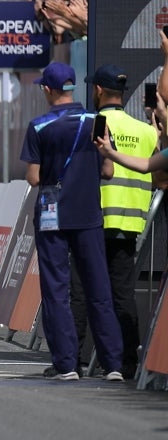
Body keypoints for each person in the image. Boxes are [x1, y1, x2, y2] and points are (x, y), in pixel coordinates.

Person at [21, 62, 123, 381]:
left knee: (56, 287)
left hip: (53, 213)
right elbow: (108, 171)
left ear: (48, 90)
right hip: (88, 212)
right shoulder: (97, 121)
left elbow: (34, 178)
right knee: (98, 286)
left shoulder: (39, 126)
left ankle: (66, 364)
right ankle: (113, 364)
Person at [74, 64, 155, 380]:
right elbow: (159, 175)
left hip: (94, 219)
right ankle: (127, 362)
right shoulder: (147, 131)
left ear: (97, 90)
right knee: (122, 292)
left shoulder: (96, 125)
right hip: (131, 223)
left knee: (81, 288)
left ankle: (75, 359)